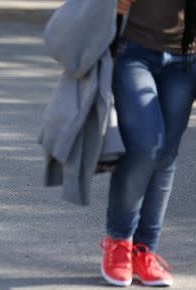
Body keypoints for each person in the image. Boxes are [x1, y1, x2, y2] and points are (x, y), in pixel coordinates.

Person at [100, 0, 196, 287]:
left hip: (186, 56)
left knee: (166, 155)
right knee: (145, 146)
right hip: (134, 49)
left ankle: (144, 250)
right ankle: (118, 242)